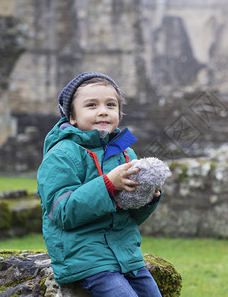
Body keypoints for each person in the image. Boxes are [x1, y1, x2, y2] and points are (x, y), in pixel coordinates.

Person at [37, 72, 162, 297]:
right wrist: (108, 185)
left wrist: (147, 198)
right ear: (72, 117)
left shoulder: (125, 152)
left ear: (119, 113)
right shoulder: (61, 155)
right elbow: (61, 211)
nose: (103, 110)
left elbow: (131, 216)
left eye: (110, 104)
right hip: (85, 256)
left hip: (126, 254)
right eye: (91, 105)